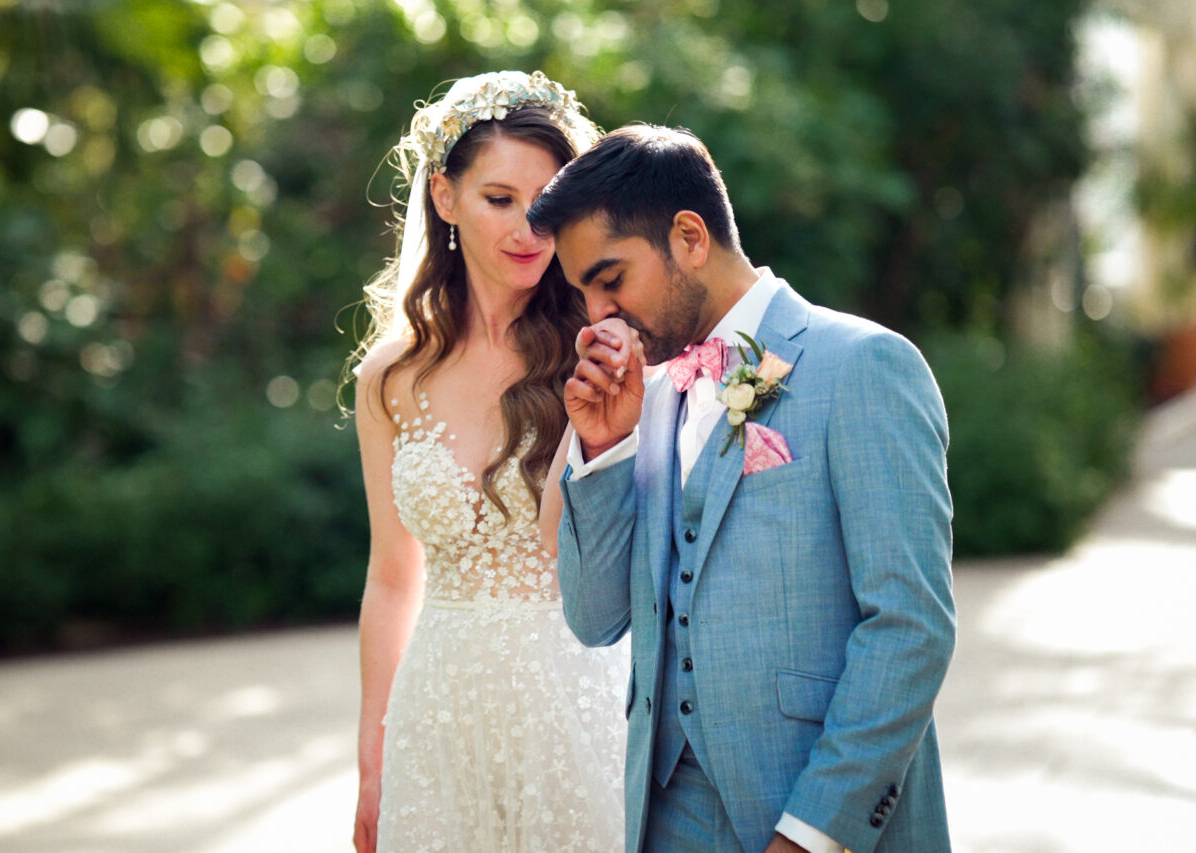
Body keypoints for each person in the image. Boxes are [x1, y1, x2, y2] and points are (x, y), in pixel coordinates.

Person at [526, 125, 955, 853]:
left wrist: (813, 832)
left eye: (611, 278)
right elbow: (595, 618)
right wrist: (603, 446)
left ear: (690, 237)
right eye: (584, 292)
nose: (598, 314)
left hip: (813, 815)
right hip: (667, 820)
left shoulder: (864, 365)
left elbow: (910, 627)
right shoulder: (650, 396)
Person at [350, 71, 628, 853]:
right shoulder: (390, 378)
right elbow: (391, 575)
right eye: (498, 199)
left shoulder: (602, 350)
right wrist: (373, 758)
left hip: (576, 694)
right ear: (444, 197)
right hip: (437, 711)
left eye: (544, 203)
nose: (527, 229)